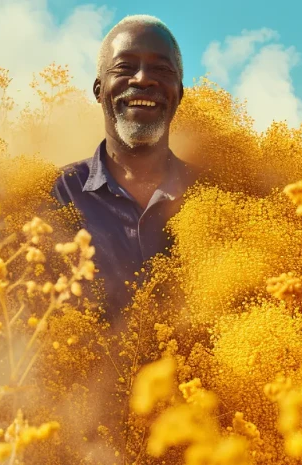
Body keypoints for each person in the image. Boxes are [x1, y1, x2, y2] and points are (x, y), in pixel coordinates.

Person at [49, 15, 199, 319]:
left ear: (179, 94)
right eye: (124, 67)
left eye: (160, 69)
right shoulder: (55, 194)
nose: (143, 79)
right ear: (98, 89)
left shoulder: (215, 192)